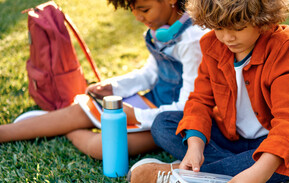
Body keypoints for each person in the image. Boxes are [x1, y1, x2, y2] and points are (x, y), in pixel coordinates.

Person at [127, 0, 289, 183]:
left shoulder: (283, 47)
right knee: (163, 123)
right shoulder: (212, 45)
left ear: (263, 19)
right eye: (219, 28)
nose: (227, 38)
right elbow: (199, 101)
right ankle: (257, 181)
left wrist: (258, 172)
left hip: (271, 144)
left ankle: (180, 177)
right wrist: (195, 146)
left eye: (238, 28)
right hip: (228, 136)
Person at [0, 0, 208, 159]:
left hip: (174, 121)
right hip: (152, 102)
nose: (138, 17)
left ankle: (60, 128)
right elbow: (151, 73)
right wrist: (114, 87)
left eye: (144, 10)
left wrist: (137, 115)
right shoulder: (161, 29)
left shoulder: (193, 41)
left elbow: (188, 107)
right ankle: (7, 132)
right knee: (80, 110)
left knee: (104, 148)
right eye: (133, 10)